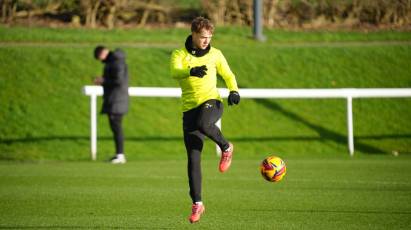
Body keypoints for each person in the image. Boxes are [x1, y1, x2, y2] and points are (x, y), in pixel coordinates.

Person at [170, 16, 240, 223]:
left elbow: (228, 74)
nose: (206, 41)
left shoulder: (215, 54)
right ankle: (198, 204)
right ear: (193, 34)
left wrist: (234, 91)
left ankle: (226, 147)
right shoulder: (179, 54)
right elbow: (174, 71)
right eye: (202, 37)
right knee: (193, 159)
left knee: (203, 123)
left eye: (209, 37)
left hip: (212, 103)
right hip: (189, 110)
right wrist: (190, 70)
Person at [93, 45, 129, 164]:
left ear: (103, 53)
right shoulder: (114, 61)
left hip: (117, 100)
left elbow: (118, 81)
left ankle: (120, 155)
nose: (101, 61)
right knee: (115, 128)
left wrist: (103, 81)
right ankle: (119, 154)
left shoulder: (116, 62)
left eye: (100, 58)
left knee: (117, 128)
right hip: (115, 99)